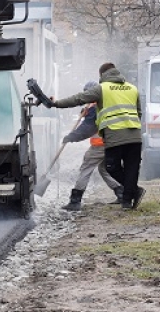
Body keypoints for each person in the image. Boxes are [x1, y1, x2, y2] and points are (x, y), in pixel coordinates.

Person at [47, 63, 145, 210]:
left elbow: (79, 103)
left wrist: (56, 104)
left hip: (109, 140)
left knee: (94, 166)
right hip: (134, 136)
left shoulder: (102, 90)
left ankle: (76, 200)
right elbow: (139, 113)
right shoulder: (132, 88)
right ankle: (124, 196)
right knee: (120, 168)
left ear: (102, 75)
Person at [61, 82, 124, 211]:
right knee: (104, 169)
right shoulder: (105, 104)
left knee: (86, 168)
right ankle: (121, 193)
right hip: (114, 144)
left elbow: (87, 128)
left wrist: (72, 137)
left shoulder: (94, 108)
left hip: (100, 146)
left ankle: (75, 201)